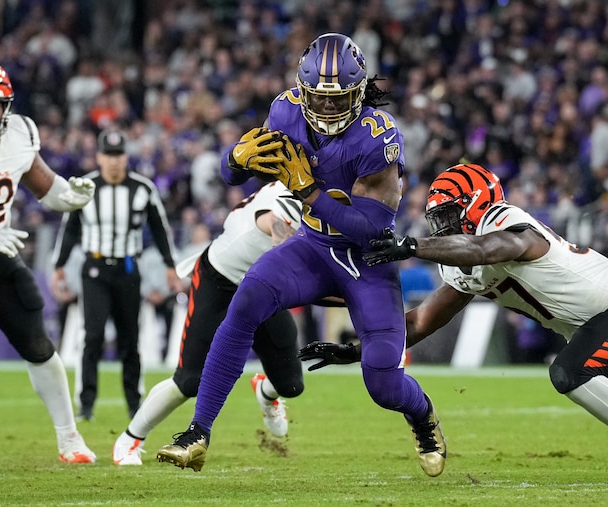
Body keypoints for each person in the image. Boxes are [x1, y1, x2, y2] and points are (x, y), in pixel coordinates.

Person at [302, 162, 608, 484]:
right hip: (598, 329)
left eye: (450, 216)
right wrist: (359, 348)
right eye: (437, 220)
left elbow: (488, 247)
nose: (443, 228)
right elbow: (423, 320)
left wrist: (412, 246)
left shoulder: (505, 224)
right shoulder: (466, 260)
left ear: (478, 204)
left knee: (569, 372)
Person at [157, 33, 447, 478]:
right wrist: (234, 159)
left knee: (383, 383)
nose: (328, 108)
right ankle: (198, 432)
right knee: (246, 302)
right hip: (312, 246)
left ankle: (422, 415)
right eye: (320, 98)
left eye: (339, 99)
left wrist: (308, 190)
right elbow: (234, 174)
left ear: (358, 92)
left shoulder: (377, 136)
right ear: (303, 90)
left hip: (365, 263)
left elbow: (369, 230)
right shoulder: (286, 110)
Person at [0, 56, 97, 463]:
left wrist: (70, 197)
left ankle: (69, 439)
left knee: (38, 343)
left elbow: (45, 186)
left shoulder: (21, 132)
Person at [112, 181, 303, 465]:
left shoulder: (322, 198)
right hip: (220, 281)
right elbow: (277, 225)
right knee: (189, 381)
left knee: (291, 385)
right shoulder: (287, 201)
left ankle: (265, 390)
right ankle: (130, 439)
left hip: (261, 286)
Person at [51, 129, 184, 421]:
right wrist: (59, 266)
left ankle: (134, 404)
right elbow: (69, 228)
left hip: (127, 269)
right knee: (93, 336)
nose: (113, 161)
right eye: (108, 155)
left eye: (118, 155)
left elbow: (160, 228)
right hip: (95, 269)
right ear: (99, 157)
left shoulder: (142, 188)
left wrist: (170, 266)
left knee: (129, 338)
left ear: (126, 157)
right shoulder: (85, 187)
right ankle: (86, 404)